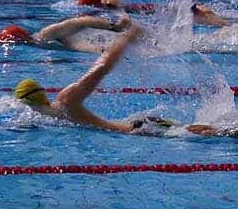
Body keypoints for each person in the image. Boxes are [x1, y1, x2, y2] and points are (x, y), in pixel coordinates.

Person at [12, 25, 144, 133]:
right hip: (139, 130)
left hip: (137, 130)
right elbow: (102, 67)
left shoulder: (40, 119)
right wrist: (126, 39)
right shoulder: (66, 100)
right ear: (42, 94)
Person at [0, 14, 132, 54]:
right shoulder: (39, 44)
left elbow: (80, 22)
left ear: (21, 39)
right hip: (107, 49)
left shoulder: (46, 34)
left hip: (112, 41)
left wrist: (115, 27)